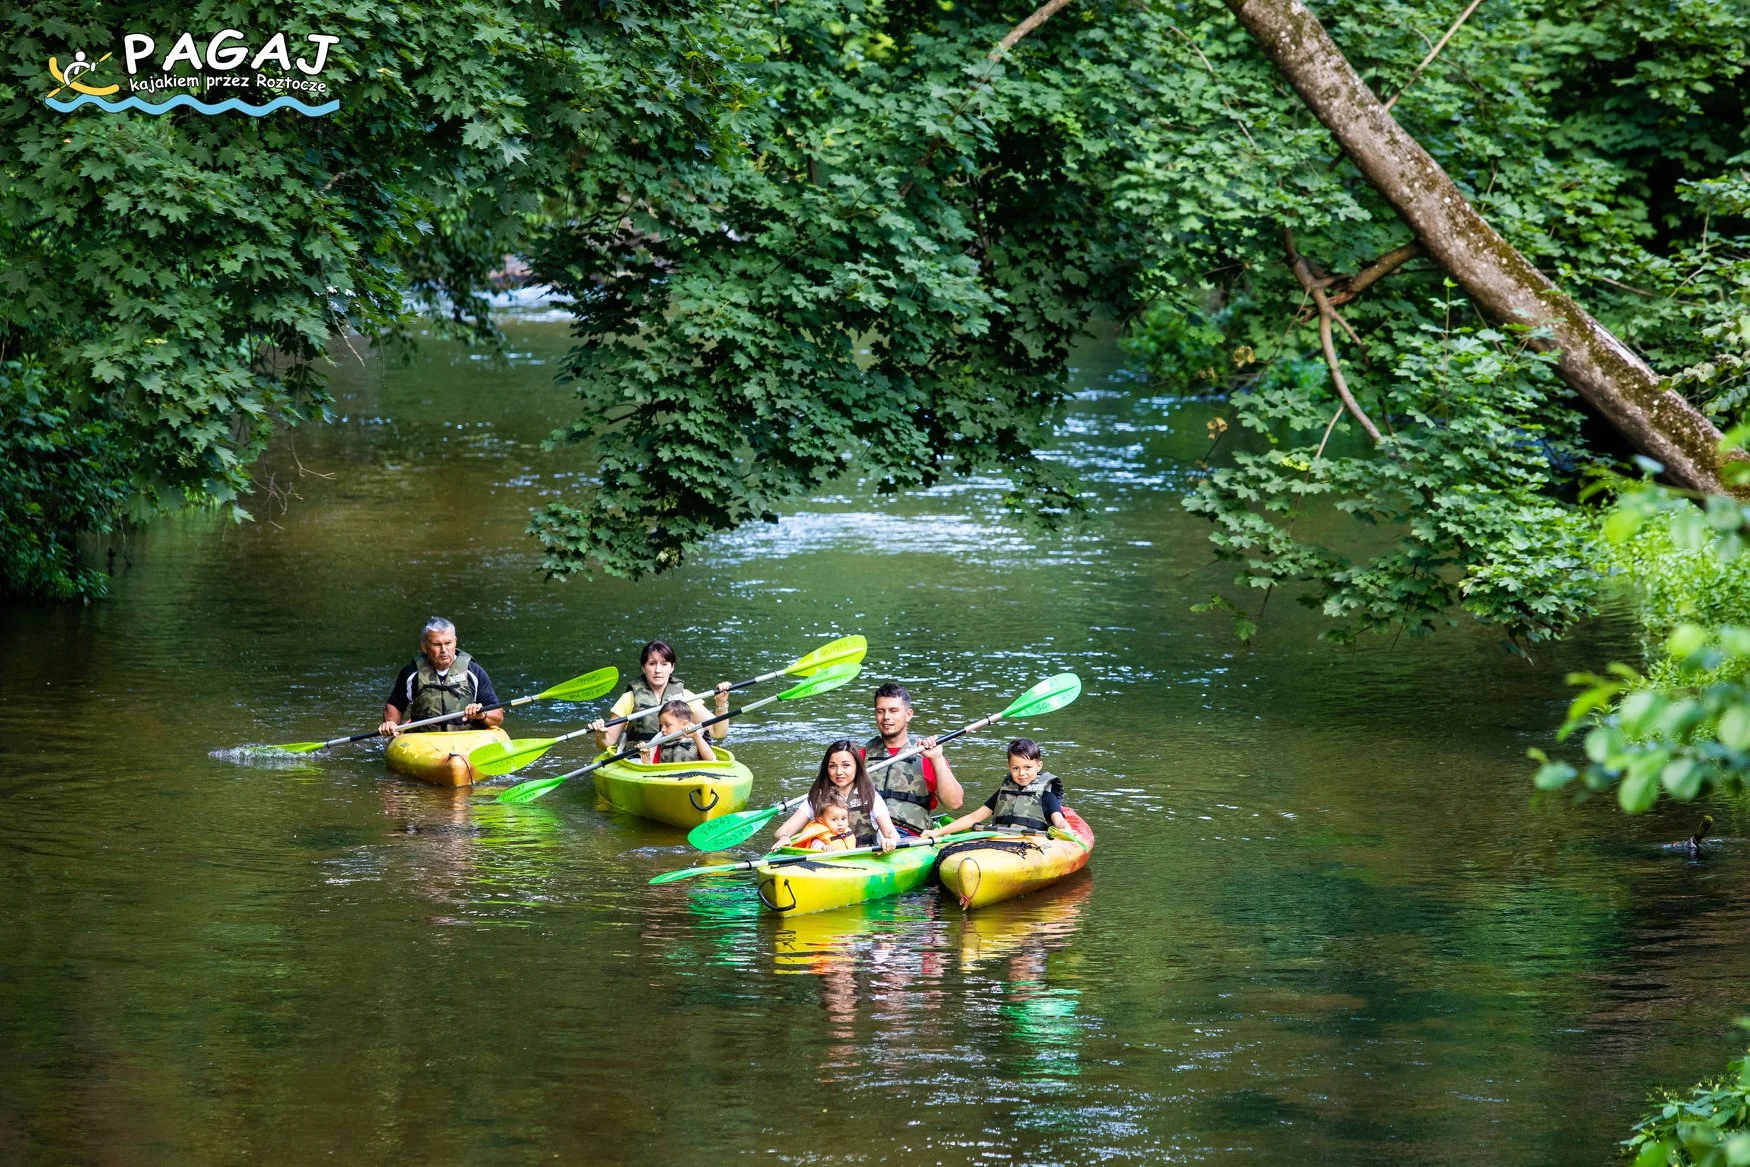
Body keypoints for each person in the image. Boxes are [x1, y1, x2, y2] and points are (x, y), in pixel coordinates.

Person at [862, 682, 963, 836]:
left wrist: (937, 757)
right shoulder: (859, 756)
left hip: (908, 836)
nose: (886, 717)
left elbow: (954, 803)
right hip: (864, 834)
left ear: (908, 714)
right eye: (880, 711)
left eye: (893, 710)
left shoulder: (926, 755)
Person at [590, 640, 730, 748]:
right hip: (640, 760)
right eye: (652, 664)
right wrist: (600, 735)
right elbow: (608, 743)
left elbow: (718, 733)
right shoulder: (629, 698)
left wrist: (721, 703)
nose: (658, 670)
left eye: (664, 664)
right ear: (643, 668)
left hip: (677, 758)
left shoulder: (686, 696)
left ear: (672, 667)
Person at [378, 617, 503, 736]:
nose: (443, 650)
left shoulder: (474, 672)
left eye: (448, 643)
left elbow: (497, 715)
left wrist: (482, 714)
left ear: (455, 642)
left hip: (467, 738)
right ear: (424, 646)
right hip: (425, 740)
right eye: (437, 644)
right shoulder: (411, 673)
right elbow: (394, 705)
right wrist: (391, 723)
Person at [923, 739, 1068, 839]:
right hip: (1001, 842)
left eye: (1028, 767)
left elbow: (1059, 820)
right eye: (1015, 768)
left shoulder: (1047, 796)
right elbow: (973, 818)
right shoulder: (1003, 793)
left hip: (1032, 845)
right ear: (1009, 767)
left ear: (1039, 765)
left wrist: (1065, 829)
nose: (1021, 773)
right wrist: (939, 832)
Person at [774, 740, 899, 852]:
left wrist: (890, 841)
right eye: (833, 766)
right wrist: (784, 837)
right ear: (826, 769)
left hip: (865, 859)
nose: (839, 772)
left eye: (846, 765)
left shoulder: (870, 796)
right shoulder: (818, 798)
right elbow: (781, 831)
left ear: (857, 767)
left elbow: (891, 834)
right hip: (829, 859)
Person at [638, 700, 718, 764]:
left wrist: (696, 736)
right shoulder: (661, 742)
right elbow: (652, 769)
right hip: (666, 779)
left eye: (668, 725)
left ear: (685, 724)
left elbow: (711, 760)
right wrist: (646, 757)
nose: (662, 729)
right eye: (661, 725)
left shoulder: (697, 738)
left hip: (693, 777)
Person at [787, 799, 857, 852]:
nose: (840, 823)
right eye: (833, 820)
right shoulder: (819, 839)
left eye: (843, 819)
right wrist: (823, 848)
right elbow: (814, 848)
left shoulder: (847, 831)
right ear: (821, 820)